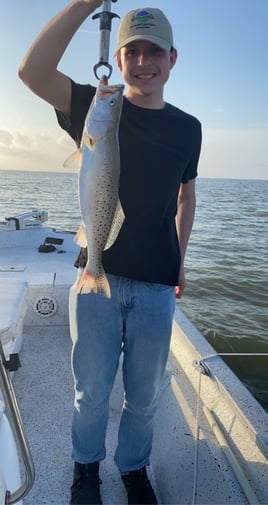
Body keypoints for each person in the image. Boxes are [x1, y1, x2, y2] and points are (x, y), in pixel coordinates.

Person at [18, 1, 202, 504]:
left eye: (154, 52)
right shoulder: (95, 107)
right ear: (117, 61)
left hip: (157, 284)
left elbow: (186, 196)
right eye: (133, 52)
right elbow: (31, 72)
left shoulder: (189, 128)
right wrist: (83, 3)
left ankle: (134, 471)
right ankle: (85, 472)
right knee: (91, 393)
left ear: (172, 58)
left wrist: (180, 259)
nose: (144, 62)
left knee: (143, 400)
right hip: (95, 276)